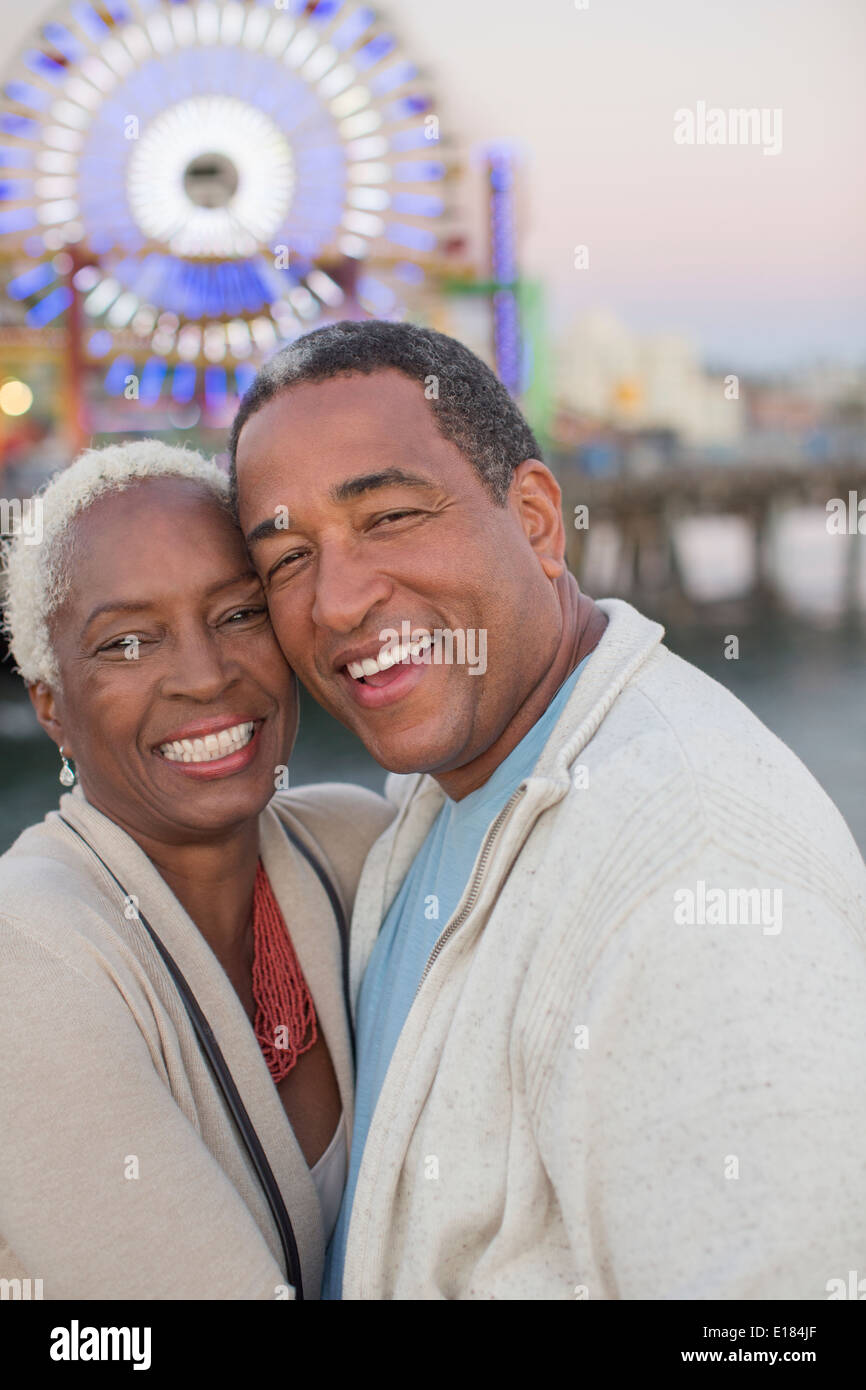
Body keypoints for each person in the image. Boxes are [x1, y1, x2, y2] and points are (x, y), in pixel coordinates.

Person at [229, 319, 866, 1301]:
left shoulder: (692, 870)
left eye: (390, 515)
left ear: (532, 518)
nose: (338, 600)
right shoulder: (441, 797)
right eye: (285, 561)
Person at [0, 440, 392, 1300]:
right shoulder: (27, 957)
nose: (206, 676)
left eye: (240, 614)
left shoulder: (359, 848)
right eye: (129, 643)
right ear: (51, 703)